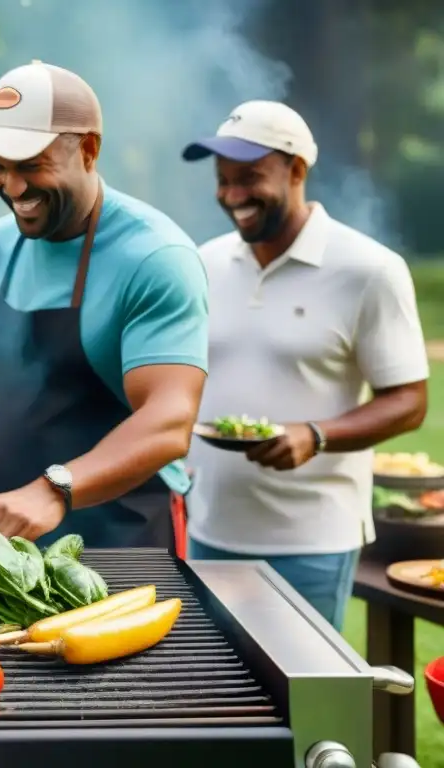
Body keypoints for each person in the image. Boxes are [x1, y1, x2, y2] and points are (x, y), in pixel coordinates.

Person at [0, 59, 209, 549]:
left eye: (31, 165)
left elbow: (169, 421)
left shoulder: (155, 257)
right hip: (13, 543)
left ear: (89, 150)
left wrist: (54, 489)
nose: (11, 188)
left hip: (129, 537)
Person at [181, 100, 429, 630]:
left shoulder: (369, 270)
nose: (232, 195)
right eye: (223, 180)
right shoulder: (204, 263)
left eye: (249, 177)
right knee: (219, 698)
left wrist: (314, 434)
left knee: (303, 705)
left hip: (312, 540)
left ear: (297, 170)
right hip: (211, 529)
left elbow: (409, 401)